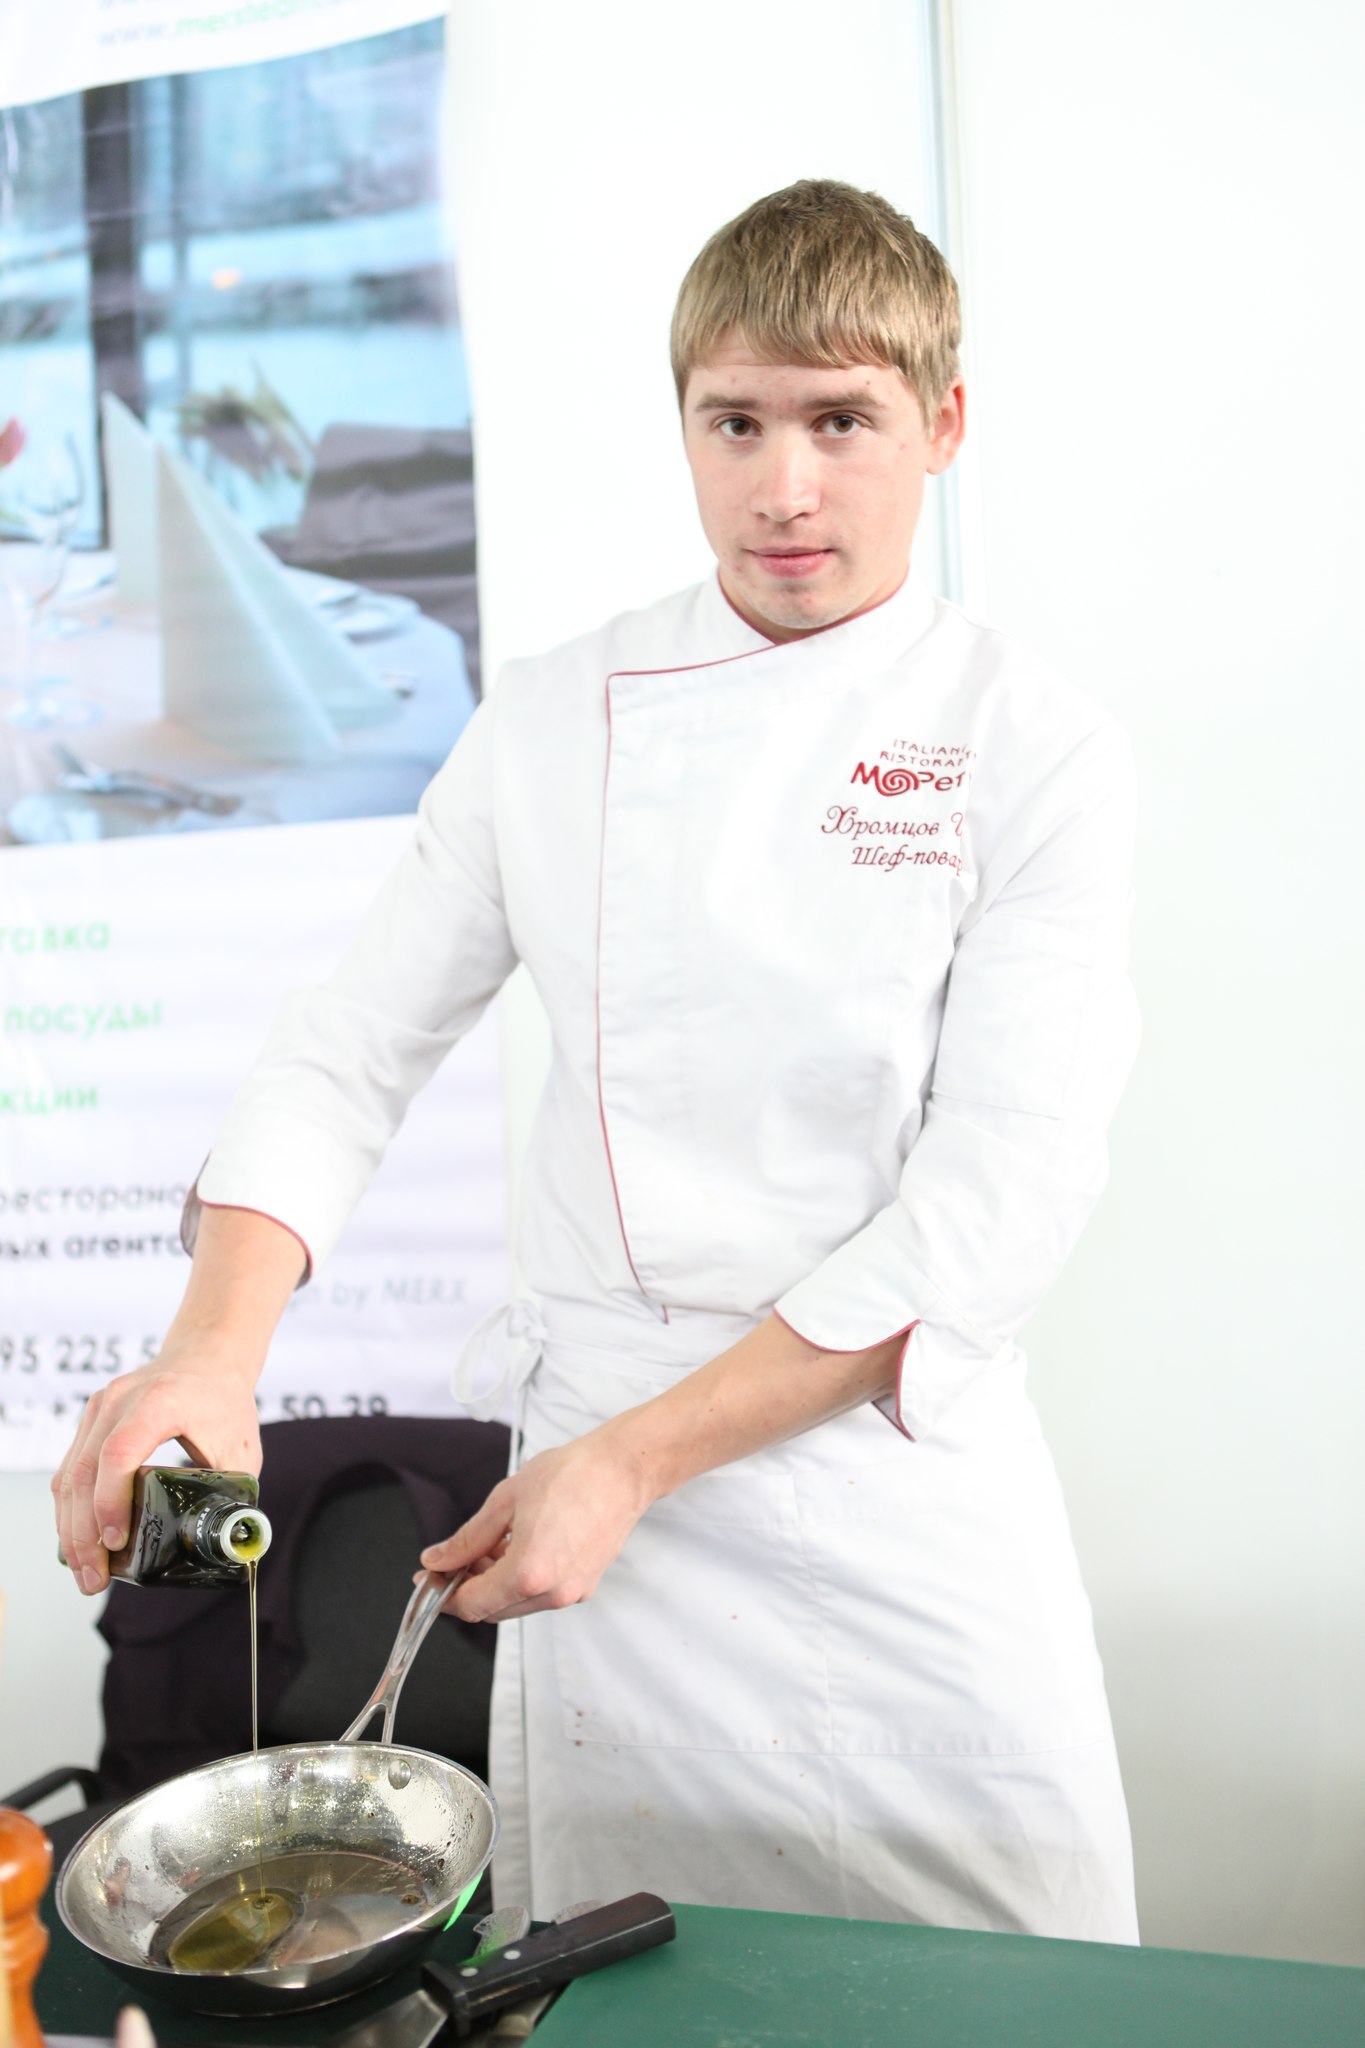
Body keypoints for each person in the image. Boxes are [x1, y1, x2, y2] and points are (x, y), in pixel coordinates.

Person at [54, 180, 1142, 1940]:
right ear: (684, 424)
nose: (783, 488)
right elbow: (351, 1047)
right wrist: (210, 1353)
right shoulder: (558, 718)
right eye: (735, 423)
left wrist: (635, 1458)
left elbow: (994, 1203)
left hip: (887, 1484)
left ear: (941, 423)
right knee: (636, 1974)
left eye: (840, 422)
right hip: (600, 1534)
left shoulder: (1030, 745)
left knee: (1007, 1986)